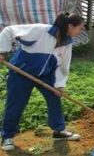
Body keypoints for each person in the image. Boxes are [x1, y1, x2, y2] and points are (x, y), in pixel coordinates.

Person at [0, 13, 85, 151]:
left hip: (45, 75)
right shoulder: (40, 30)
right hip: (22, 72)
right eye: (80, 28)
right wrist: (2, 51)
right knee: (16, 103)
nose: (80, 31)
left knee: (54, 99)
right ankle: (7, 136)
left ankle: (58, 131)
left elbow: (63, 66)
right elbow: (9, 30)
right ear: (70, 26)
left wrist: (59, 85)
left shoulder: (67, 43)